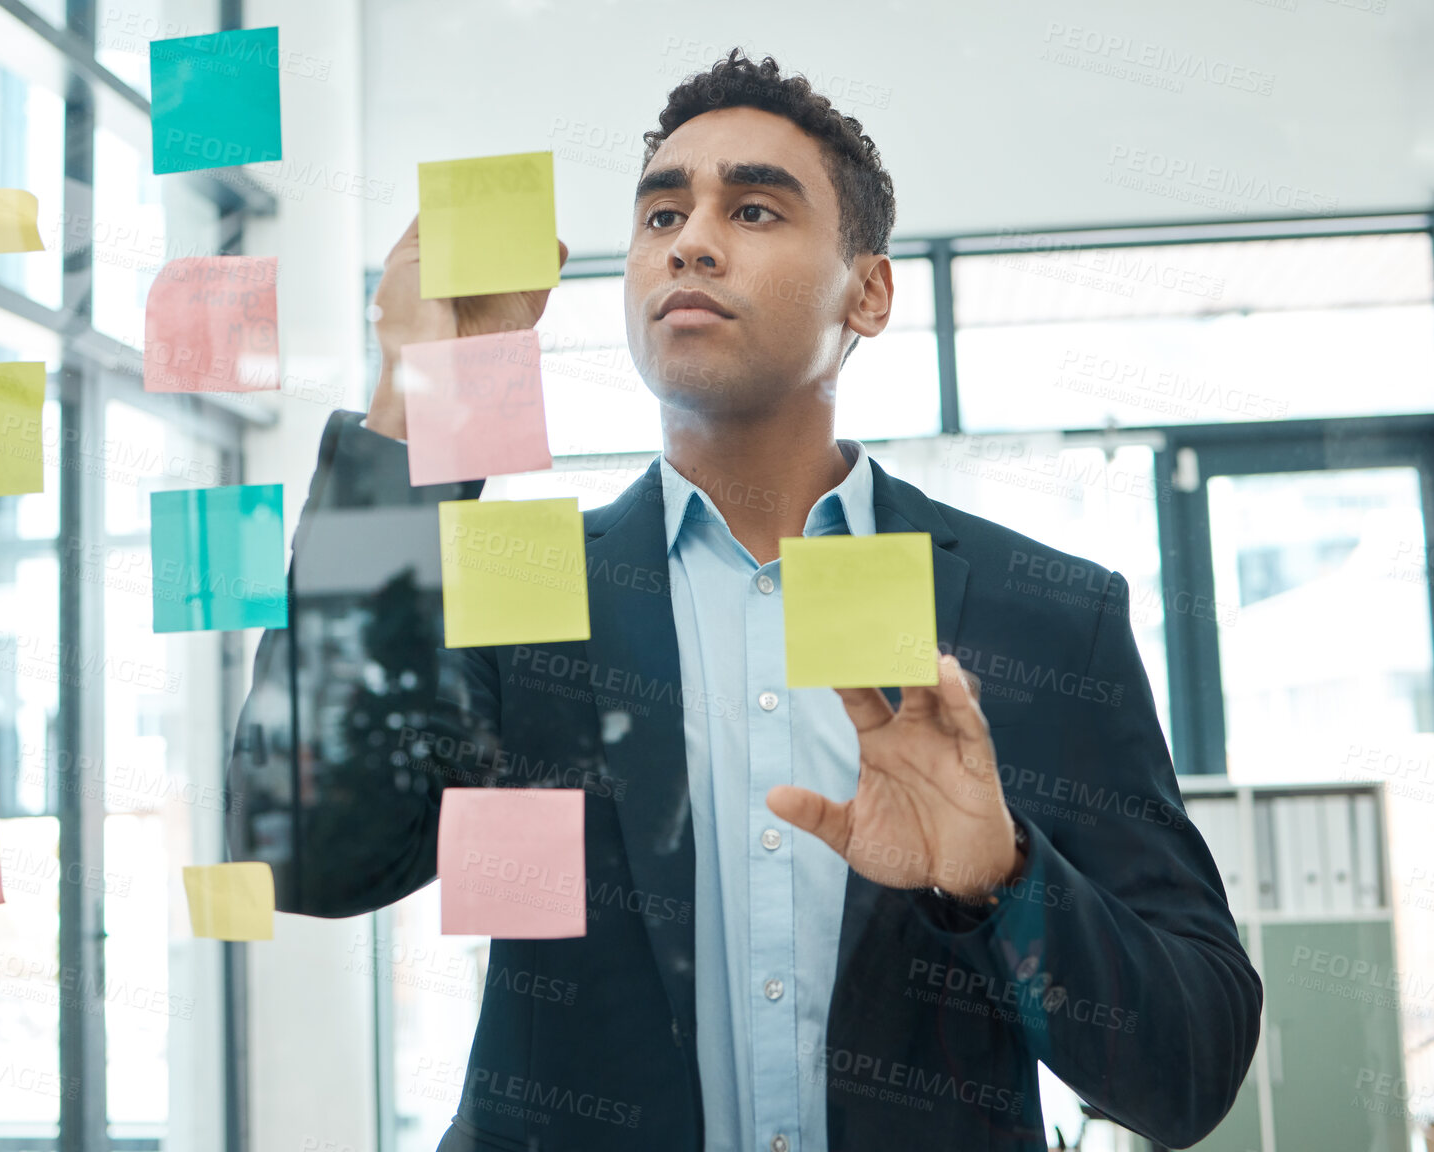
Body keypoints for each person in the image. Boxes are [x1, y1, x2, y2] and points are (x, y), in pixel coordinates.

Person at [228, 48, 1261, 1152]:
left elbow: (1187, 1068)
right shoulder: (517, 590)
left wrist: (1001, 881)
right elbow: (301, 856)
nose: (692, 239)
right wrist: (411, 408)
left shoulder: (1040, 614)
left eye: (755, 208)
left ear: (867, 291)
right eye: (660, 212)